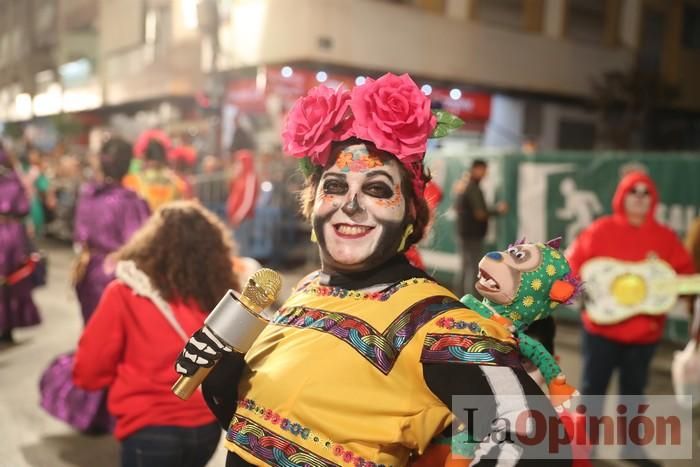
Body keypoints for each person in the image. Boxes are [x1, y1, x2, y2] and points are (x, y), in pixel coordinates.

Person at [176, 73, 571, 466]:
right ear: (313, 202)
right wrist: (221, 372)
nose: (350, 205)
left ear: (411, 214)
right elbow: (252, 431)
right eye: (334, 186)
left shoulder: (435, 323)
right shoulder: (309, 290)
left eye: (377, 189)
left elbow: (540, 443)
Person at [73, 201, 240, 467]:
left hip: (148, 428)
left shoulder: (125, 293)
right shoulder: (221, 297)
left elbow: (88, 371)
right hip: (207, 428)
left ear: (151, 243)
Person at [566, 170, 694, 464]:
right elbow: (571, 268)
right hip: (599, 331)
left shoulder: (665, 238)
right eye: (632, 191)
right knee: (592, 389)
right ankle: (584, 447)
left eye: (645, 192)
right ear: (622, 196)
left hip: (645, 335)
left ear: (653, 199)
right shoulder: (599, 231)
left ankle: (632, 447)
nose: (638, 197)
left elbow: (685, 277)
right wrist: (578, 290)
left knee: (634, 392)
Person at [73, 138, 151, 323]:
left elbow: (79, 235)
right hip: (124, 275)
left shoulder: (89, 195)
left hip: (90, 273)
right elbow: (142, 243)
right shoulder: (133, 202)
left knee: (94, 330)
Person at [0, 143, 41, 344]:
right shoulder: (13, 180)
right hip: (12, 234)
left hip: (8, 233)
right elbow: (23, 207)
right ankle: (8, 327)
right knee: (12, 280)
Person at [454, 159, 507, 296]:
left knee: (465, 268)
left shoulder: (464, 184)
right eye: (484, 169)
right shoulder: (472, 187)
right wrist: (498, 210)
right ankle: (470, 301)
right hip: (472, 234)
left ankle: (459, 298)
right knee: (473, 268)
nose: (486, 173)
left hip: (464, 232)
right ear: (477, 169)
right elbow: (480, 214)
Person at [124, 131, 187, 211]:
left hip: (146, 222)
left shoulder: (133, 182)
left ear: (145, 157)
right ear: (164, 158)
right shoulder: (177, 183)